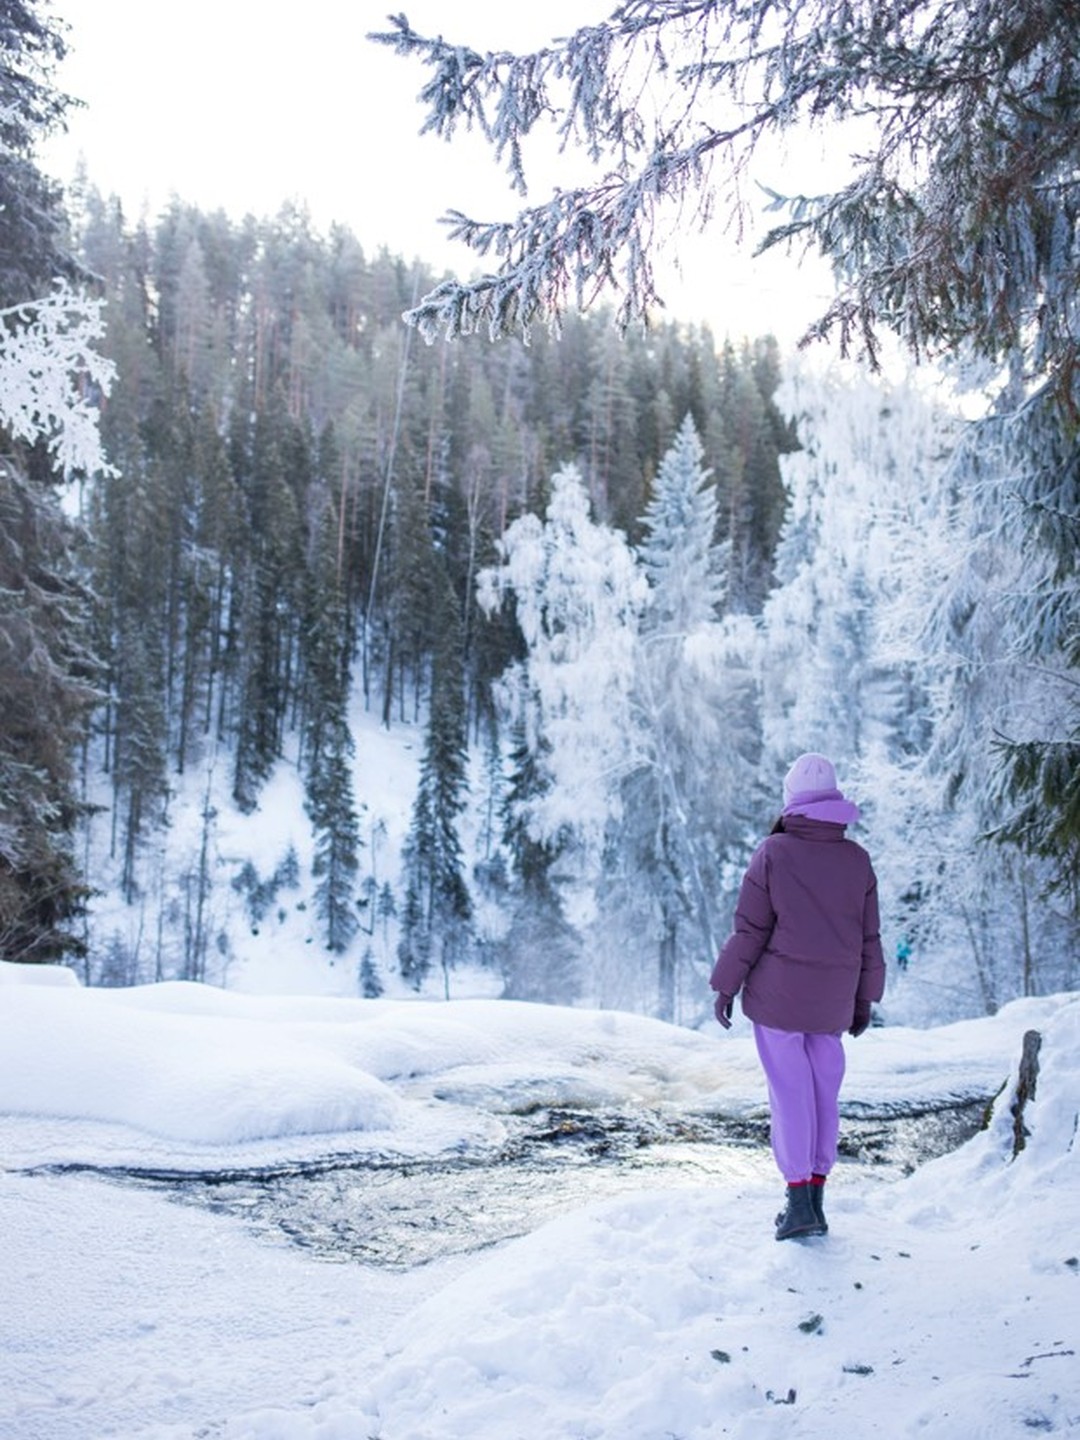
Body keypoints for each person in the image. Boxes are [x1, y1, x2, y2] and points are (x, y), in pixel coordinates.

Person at [710, 752, 886, 1241]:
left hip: (778, 1001)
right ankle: (817, 1198)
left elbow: (750, 930)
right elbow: (869, 939)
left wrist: (726, 984)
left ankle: (797, 1202)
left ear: (792, 801)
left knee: (791, 1096)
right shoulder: (857, 860)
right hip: (832, 1002)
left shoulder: (773, 852)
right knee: (823, 1093)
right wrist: (865, 999)